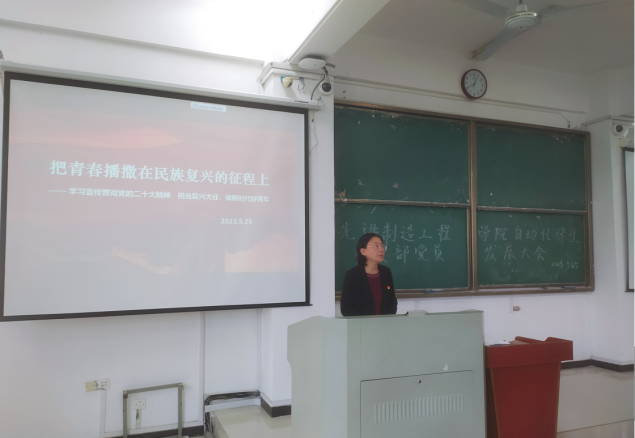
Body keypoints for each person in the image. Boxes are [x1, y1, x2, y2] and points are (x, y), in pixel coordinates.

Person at [340, 233, 398, 316]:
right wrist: (366, 322)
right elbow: (346, 308)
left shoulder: (386, 272)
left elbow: (392, 302)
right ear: (363, 251)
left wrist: (385, 319)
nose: (381, 249)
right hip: (360, 323)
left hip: (384, 322)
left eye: (382, 246)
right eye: (376, 246)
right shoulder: (352, 275)